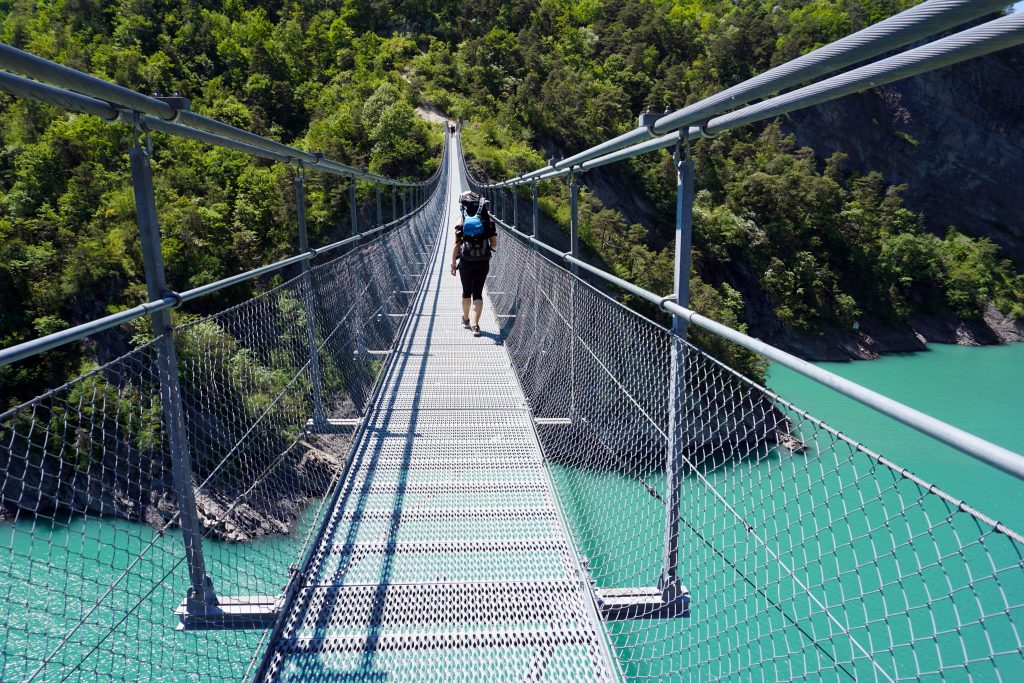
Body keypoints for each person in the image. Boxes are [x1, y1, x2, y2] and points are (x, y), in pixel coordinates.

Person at [450, 191, 497, 337]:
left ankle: (466, 319)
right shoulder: (487, 222)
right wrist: (486, 247)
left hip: (466, 261)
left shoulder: (461, 221)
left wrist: (453, 262)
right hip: (483, 262)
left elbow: (457, 245)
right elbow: (494, 244)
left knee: (466, 291)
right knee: (478, 292)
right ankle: (476, 326)